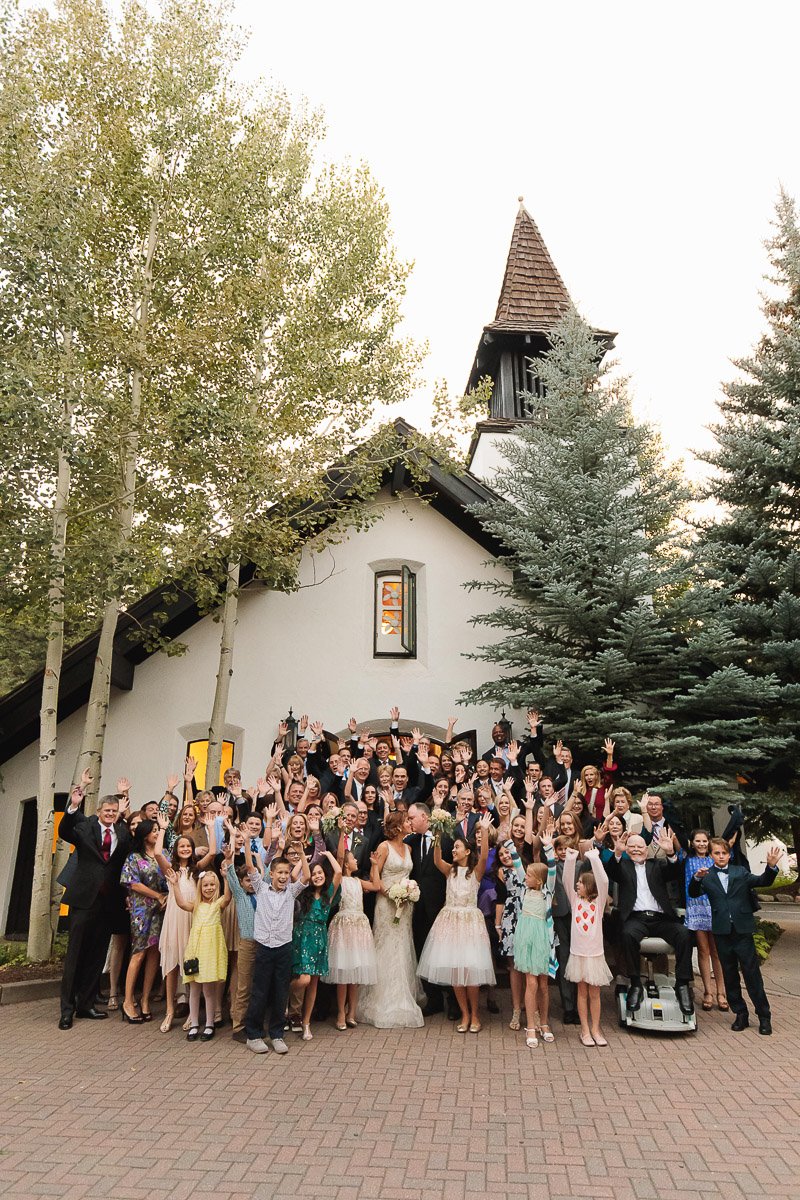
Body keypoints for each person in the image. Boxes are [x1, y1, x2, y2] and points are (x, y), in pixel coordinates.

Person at [57, 775, 132, 1029]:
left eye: (114, 810)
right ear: (99, 811)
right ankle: (67, 1010)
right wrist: (74, 805)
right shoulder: (86, 826)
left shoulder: (122, 832)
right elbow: (65, 830)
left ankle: (86, 1005)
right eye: (106, 810)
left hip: (108, 902)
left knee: (97, 955)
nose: (110, 813)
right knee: (75, 954)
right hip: (83, 899)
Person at [688, 839, 781, 1035]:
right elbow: (693, 893)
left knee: (751, 974)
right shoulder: (707, 875)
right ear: (711, 855)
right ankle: (741, 1014)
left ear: (729, 855)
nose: (720, 856)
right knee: (729, 975)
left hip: (742, 930)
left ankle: (764, 1016)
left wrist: (771, 867)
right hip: (721, 932)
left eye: (724, 853)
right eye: (716, 853)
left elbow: (762, 881)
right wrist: (696, 878)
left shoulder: (740, 872)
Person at [417, 813, 495, 1032]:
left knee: (470, 973)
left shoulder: (475, 872)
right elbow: (436, 858)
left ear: (467, 851)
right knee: (456, 975)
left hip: (469, 924)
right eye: (454, 847)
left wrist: (485, 831)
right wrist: (439, 833)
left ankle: (476, 1016)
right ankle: (465, 1014)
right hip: (450, 924)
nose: (455, 850)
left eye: (458, 847)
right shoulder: (449, 871)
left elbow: (485, 855)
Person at [605, 831, 695, 1016]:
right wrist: (618, 853)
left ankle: (683, 984)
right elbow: (611, 871)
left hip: (661, 918)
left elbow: (675, 871)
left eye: (640, 847)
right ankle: (635, 983)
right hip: (636, 918)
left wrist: (670, 853)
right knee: (627, 934)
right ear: (627, 849)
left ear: (646, 850)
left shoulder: (657, 865)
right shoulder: (623, 866)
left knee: (684, 934)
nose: (636, 850)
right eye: (632, 847)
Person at [357, 811, 425, 1029]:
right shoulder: (384, 847)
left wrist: (407, 892)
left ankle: (403, 995)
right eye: (406, 821)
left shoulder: (409, 848)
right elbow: (375, 876)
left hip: (404, 906)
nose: (409, 823)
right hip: (387, 904)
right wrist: (393, 894)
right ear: (397, 826)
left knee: (403, 946)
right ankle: (383, 998)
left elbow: (407, 876)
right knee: (386, 946)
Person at [244, 850, 310, 1055]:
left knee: (281, 992)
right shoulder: (261, 889)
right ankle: (253, 1035)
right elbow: (250, 867)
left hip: (283, 948)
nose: (283, 876)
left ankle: (277, 1034)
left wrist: (301, 854)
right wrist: (246, 842)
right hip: (264, 947)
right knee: (260, 991)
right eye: (279, 872)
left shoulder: (291, 892)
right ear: (271, 874)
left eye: (286, 872)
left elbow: (306, 876)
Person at [168, 852, 232, 1041]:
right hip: (195, 951)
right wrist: (175, 884)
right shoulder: (196, 905)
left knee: (208, 990)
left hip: (210, 952)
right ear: (200, 887)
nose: (209, 888)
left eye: (212, 885)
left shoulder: (217, 905)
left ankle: (210, 1024)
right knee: (194, 989)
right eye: (205, 885)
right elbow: (180, 903)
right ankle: (195, 1023)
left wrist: (226, 878)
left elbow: (227, 898)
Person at [323, 847, 379, 1030]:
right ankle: (340, 1011)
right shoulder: (340, 880)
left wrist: (376, 866)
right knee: (344, 972)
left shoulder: (358, 881)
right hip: (344, 927)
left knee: (354, 972)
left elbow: (376, 886)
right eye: (354, 859)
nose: (357, 861)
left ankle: (352, 1012)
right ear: (346, 863)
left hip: (359, 927)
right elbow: (338, 861)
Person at [118, 819, 168, 1023]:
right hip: (141, 910)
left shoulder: (162, 855)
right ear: (144, 834)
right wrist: (157, 895)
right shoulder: (134, 857)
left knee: (154, 953)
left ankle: (146, 999)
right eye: (153, 830)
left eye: (158, 830)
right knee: (138, 953)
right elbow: (132, 883)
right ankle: (128, 1001)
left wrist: (164, 897)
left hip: (161, 908)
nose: (157, 833)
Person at [563, 847, 613, 1047]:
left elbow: (604, 881)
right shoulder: (575, 901)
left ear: (589, 886)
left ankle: (596, 1028)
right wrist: (570, 859)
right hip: (578, 954)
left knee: (595, 993)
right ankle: (584, 1029)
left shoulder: (598, 903)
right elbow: (567, 880)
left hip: (595, 955)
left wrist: (594, 858)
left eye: (581, 883)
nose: (577, 885)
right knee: (581, 992)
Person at [290, 850, 342, 1041]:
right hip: (302, 938)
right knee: (303, 980)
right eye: (314, 874)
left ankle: (306, 1023)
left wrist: (328, 856)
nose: (318, 876)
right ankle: (284, 991)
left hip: (319, 940)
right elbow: (295, 875)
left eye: (320, 873)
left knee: (313, 984)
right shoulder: (304, 893)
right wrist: (306, 859)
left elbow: (338, 873)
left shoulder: (329, 894)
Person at [513, 832, 558, 1048]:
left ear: (539, 879)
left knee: (543, 984)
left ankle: (544, 1022)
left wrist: (548, 847)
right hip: (526, 938)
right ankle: (530, 1025)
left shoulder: (547, 891)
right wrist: (505, 841)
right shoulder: (524, 890)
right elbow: (516, 863)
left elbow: (552, 870)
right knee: (530, 982)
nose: (525, 878)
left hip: (543, 937)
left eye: (529, 875)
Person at [406, 803, 449, 1016]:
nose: (410, 821)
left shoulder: (445, 838)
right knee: (423, 949)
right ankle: (433, 1000)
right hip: (419, 908)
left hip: (440, 906)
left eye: (412, 818)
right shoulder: (411, 841)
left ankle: (451, 1000)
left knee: (444, 953)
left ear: (425, 817)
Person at [681, 829, 728, 1012]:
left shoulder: (715, 860)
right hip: (696, 908)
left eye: (704, 841)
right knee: (703, 950)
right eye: (697, 841)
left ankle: (721, 992)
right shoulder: (687, 860)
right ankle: (707, 992)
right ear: (692, 843)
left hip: (714, 908)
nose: (701, 844)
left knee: (717, 951)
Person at [493, 839, 527, 1031]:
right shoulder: (501, 872)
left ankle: (532, 1008)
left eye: (507, 852)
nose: (505, 856)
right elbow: (500, 899)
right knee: (513, 965)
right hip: (511, 917)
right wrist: (498, 925)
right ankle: (516, 1009)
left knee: (528, 964)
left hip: (529, 915)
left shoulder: (526, 867)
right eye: (501, 855)